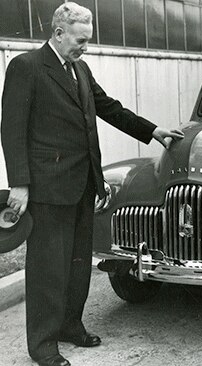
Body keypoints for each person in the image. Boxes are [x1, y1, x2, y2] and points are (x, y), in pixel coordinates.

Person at [0, 3, 184, 366]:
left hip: (84, 184)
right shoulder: (26, 67)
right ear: (58, 33)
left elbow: (108, 107)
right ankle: (43, 345)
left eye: (88, 40)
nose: (86, 47)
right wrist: (19, 184)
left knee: (77, 264)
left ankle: (70, 326)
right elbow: (11, 129)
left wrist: (152, 131)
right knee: (48, 269)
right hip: (48, 188)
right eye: (81, 40)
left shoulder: (79, 69)